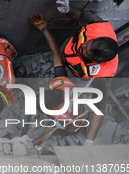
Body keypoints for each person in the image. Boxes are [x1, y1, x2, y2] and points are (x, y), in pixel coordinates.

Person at [55, 0, 119, 145]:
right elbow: (80, 16)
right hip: (68, 51)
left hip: (77, 71)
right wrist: (67, 9)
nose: (83, 45)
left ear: (95, 62)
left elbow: (100, 108)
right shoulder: (98, 26)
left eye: (85, 51)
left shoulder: (104, 75)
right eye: (87, 44)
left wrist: (89, 141)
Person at [29, 15, 86, 146]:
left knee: (54, 130)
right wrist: (44, 29)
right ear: (52, 91)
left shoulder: (61, 116)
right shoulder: (62, 83)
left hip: (74, 126)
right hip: (78, 109)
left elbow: (44, 136)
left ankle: (66, 132)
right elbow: (56, 54)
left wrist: (23, 146)